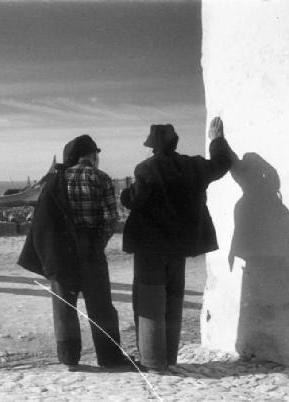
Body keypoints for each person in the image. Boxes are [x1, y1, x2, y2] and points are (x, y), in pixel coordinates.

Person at [120, 117, 232, 372]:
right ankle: (169, 357)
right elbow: (221, 164)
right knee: (173, 301)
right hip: (181, 247)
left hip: (151, 249)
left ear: (153, 147)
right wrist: (217, 141)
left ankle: (152, 361)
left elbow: (135, 200)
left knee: (150, 303)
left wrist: (125, 194)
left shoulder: (146, 168)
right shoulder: (193, 166)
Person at [19, 134, 126, 371]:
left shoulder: (55, 182)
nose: (98, 158)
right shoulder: (101, 178)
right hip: (91, 249)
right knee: (101, 306)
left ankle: (69, 358)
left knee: (64, 306)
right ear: (90, 156)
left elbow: (41, 220)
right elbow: (111, 218)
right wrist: (98, 243)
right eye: (96, 154)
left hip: (61, 250)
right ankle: (109, 358)